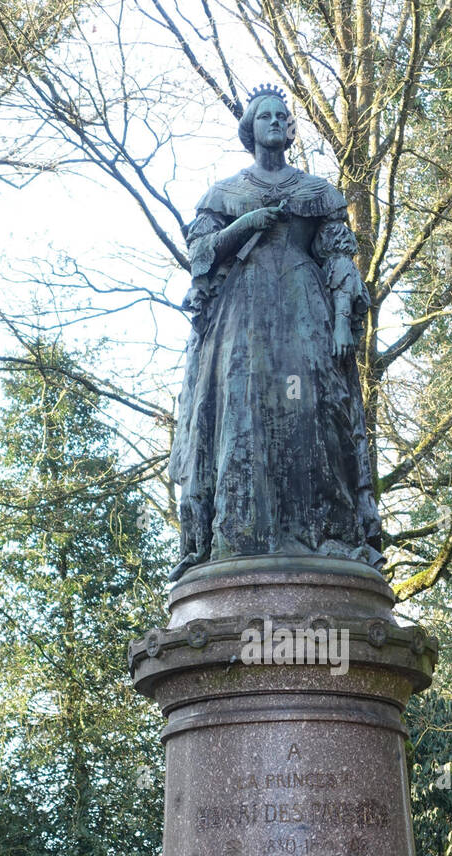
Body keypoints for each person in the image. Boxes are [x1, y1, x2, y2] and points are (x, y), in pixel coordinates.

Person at [168, 83, 384, 581]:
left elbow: (339, 261)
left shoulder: (316, 192)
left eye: (280, 116)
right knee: (242, 414)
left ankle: (323, 532)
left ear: (288, 130)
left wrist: (340, 319)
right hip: (241, 318)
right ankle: (242, 535)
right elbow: (201, 255)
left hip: (304, 312)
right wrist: (246, 224)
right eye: (263, 115)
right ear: (250, 129)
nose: (273, 122)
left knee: (312, 411)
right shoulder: (225, 193)